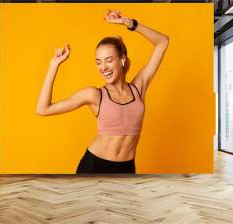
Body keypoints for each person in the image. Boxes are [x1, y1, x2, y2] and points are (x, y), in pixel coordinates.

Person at [36, 9, 169, 174]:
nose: (103, 67)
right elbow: (43, 109)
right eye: (98, 62)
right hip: (94, 166)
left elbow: (163, 41)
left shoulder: (138, 88)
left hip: (127, 168)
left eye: (108, 60)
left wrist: (128, 23)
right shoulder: (95, 95)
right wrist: (53, 65)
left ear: (122, 60)